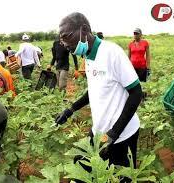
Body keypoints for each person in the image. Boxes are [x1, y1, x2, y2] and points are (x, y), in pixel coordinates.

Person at [56, 12, 142, 182]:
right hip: (99, 132)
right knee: (81, 166)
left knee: (119, 178)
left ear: (85, 30)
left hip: (122, 134)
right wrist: (70, 110)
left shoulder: (111, 53)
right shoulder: (87, 56)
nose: (65, 44)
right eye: (62, 39)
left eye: (67, 37)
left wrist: (114, 133)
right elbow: (94, 90)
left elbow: (136, 93)